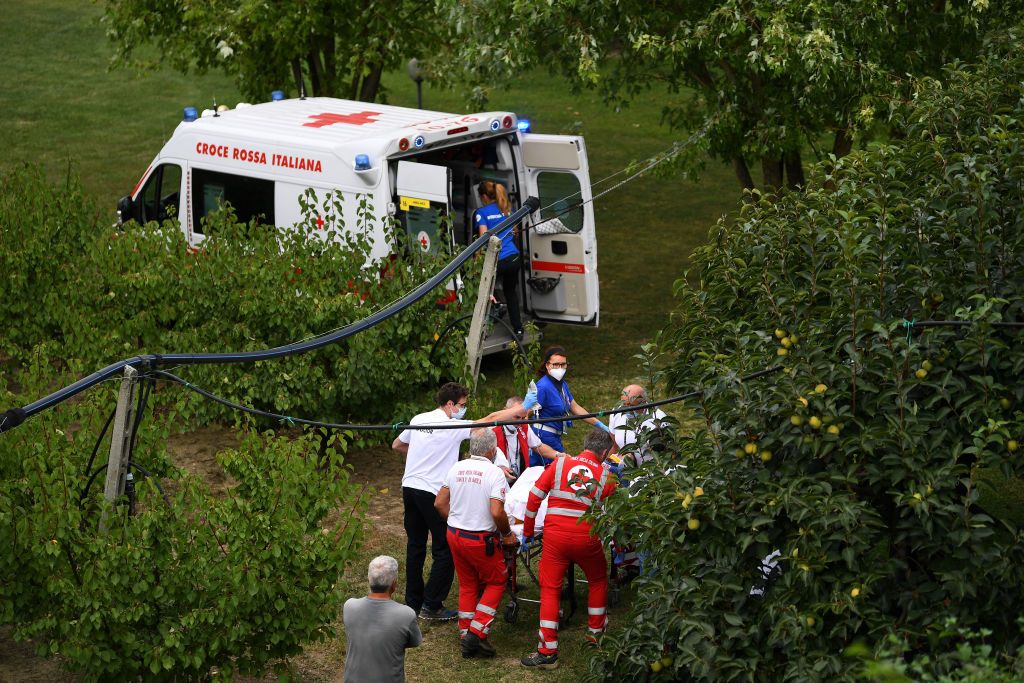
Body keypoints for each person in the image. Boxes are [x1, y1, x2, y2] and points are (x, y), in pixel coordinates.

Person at [391, 382, 536, 621]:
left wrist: (423, 450)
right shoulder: (453, 425)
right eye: (462, 405)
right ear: (450, 404)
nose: (463, 409)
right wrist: (524, 407)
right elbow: (490, 418)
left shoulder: (418, 418)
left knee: (415, 545)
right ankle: (431, 604)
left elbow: (397, 444)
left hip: (409, 487)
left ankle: (413, 602)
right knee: (445, 547)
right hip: (430, 490)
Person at [520, 427, 618, 670]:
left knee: (550, 590)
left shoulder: (560, 465)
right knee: (597, 580)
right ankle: (595, 637)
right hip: (587, 539)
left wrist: (529, 532)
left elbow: (534, 498)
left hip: (554, 539)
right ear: (605, 453)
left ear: (584, 444)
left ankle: (547, 652)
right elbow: (614, 514)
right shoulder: (607, 476)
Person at [433, 429, 517, 658]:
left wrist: (456, 519)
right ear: (492, 450)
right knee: (497, 581)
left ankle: (465, 632)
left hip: (455, 534)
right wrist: (507, 533)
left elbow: (440, 503)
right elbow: (497, 511)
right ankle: (476, 634)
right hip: (481, 539)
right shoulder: (493, 473)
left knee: (468, 584)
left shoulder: (456, 467)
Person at [343, 555, 422, 683]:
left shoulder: (349, 606)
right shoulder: (406, 614)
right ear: (394, 584)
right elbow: (415, 642)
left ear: (369, 579)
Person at [530, 345, 612, 466]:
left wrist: (599, 424)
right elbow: (525, 413)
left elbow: (575, 407)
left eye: (563, 364)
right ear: (548, 365)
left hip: (554, 436)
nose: (560, 368)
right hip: (543, 438)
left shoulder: (562, 384)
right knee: (560, 469)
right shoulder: (542, 387)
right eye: (556, 364)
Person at [474, 180, 523, 336]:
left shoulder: (482, 212)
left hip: (498, 260)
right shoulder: (506, 209)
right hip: (514, 258)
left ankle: (496, 306)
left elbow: (483, 237)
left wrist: (477, 259)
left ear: (483, 197)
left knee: (483, 286)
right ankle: (518, 329)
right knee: (510, 291)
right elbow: (516, 232)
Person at [492, 396, 565, 481]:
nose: (520, 421)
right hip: (498, 480)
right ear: (505, 411)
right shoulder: (492, 430)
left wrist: (558, 455)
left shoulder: (524, 426)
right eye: (516, 417)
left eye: (523, 418)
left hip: (519, 480)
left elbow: (538, 446)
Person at [608, 384, 670, 466]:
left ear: (643, 403)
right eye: (624, 405)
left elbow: (670, 453)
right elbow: (612, 444)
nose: (627, 410)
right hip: (625, 471)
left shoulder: (659, 419)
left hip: (652, 472)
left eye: (632, 406)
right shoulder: (616, 412)